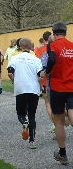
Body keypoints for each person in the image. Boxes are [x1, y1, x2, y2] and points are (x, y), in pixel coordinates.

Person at [7, 38, 43, 149]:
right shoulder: (36, 59)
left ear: (20, 47)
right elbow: (41, 75)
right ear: (31, 47)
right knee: (32, 115)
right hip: (34, 90)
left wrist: (14, 81)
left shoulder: (14, 58)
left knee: (20, 114)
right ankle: (32, 141)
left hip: (20, 89)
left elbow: (9, 73)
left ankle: (24, 122)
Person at [46, 22, 73, 165]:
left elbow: (52, 59)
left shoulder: (52, 45)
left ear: (54, 33)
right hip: (72, 86)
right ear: (65, 32)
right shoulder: (72, 45)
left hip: (58, 87)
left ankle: (63, 154)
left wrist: (48, 70)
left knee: (59, 122)